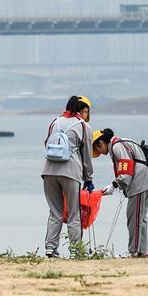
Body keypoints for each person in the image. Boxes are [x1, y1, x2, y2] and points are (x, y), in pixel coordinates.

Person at [92, 128, 148, 257]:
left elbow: (126, 173)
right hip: (144, 181)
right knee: (140, 218)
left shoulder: (117, 147)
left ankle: (133, 251)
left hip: (140, 183)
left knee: (134, 218)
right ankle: (142, 251)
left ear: (100, 143)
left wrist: (114, 185)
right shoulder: (120, 143)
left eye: (98, 149)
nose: (100, 153)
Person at [42, 96, 94, 258]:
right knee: (73, 213)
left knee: (55, 212)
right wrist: (88, 178)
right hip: (71, 173)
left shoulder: (55, 122)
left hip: (49, 171)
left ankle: (51, 248)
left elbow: (47, 144)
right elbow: (87, 155)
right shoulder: (83, 126)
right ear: (83, 110)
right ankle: (76, 250)